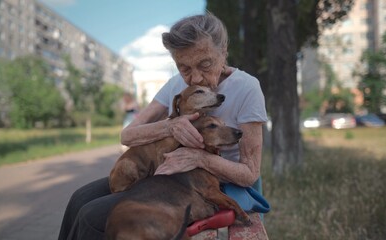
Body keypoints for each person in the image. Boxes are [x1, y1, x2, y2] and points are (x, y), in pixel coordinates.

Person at [58, 12, 267, 240]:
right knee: (79, 197)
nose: (195, 78)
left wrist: (199, 158)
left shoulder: (247, 88)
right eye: (184, 68)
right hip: (166, 177)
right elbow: (127, 135)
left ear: (224, 52)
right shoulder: (176, 86)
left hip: (209, 186)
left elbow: (250, 174)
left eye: (205, 64)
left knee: (91, 217)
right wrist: (170, 126)